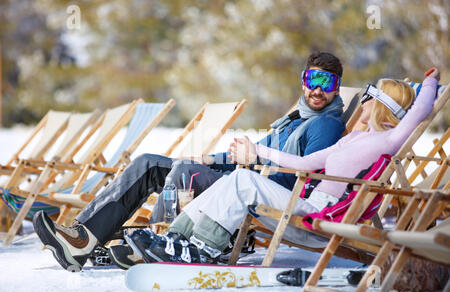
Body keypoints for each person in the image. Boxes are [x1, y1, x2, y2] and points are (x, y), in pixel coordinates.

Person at [32, 51, 347, 272]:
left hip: (261, 193)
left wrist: (250, 159)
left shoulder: (326, 124)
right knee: (149, 163)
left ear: (336, 89)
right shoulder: (291, 121)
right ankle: (83, 238)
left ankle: (163, 241)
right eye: (313, 79)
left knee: (183, 172)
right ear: (302, 81)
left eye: (328, 83)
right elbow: (254, 154)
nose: (318, 89)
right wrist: (210, 158)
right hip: (242, 179)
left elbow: (299, 173)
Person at [121, 67, 441, 265]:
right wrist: (258, 151)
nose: (365, 101)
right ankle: (178, 239)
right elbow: (302, 163)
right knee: (239, 178)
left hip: (320, 217)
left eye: (371, 95)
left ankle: (203, 248)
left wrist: (430, 82)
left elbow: (420, 111)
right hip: (306, 204)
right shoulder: (353, 139)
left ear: (381, 104)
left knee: (243, 182)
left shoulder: (388, 141)